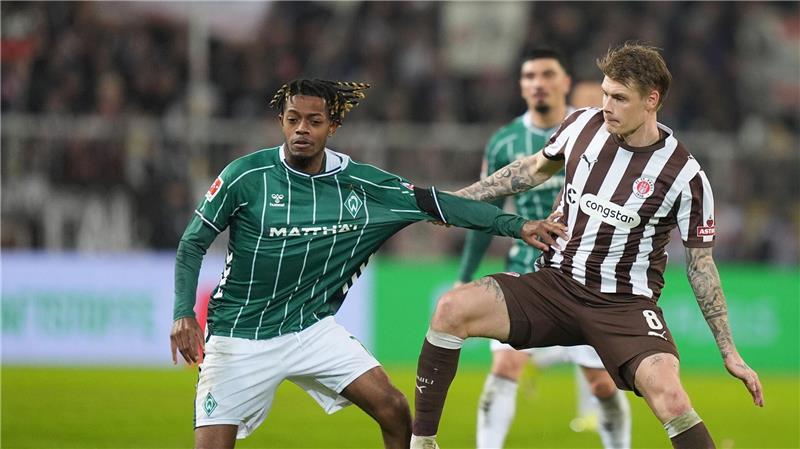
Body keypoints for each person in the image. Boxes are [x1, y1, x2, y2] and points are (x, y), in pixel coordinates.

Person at [169, 78, 557, 449]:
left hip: (309, 328)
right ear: (281, 121)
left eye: (314, 121)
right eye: (293, 119)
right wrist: (183, 313)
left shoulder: (363, 185)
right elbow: (191, 244)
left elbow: (440, 203)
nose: (301, 129)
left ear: (333, 126)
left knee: (394, 408)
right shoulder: (246, 176)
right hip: (239, 334)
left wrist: (517, 225)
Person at [410, 44, 763, 449]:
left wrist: (729, 351)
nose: (606, 106)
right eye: (605, 93)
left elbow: (701, 267)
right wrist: (459, 202)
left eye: (619, 98)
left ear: (652, 100)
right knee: (450, 309)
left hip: (624, 305)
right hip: (555, 284)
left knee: (671, 397)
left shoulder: (685, 176)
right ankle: (422, 442)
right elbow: (528, 171)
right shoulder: (582, 125)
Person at [456, 49, 630, 449]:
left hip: (584, 273)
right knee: (505, 366)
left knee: (603, 384)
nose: (538, 82)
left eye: (547, 74)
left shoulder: (597, 131)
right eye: (529, 76)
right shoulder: (504, 142)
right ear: (521, 86)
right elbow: (488, 214)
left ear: (565, 82)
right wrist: (464, 277)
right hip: (526, 268)